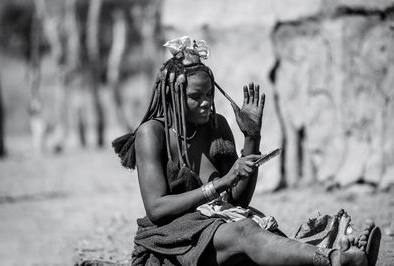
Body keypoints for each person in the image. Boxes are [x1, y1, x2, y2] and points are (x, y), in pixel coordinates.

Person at [110, 36, 380, 266]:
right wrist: (222, 183)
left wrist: (252, 136)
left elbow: (237, 201)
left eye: (208, 96)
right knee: (246, 232)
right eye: (195, 96)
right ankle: (336, 258)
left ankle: (342, 252)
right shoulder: (152, 133)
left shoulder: (217, 127)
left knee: (265, 235)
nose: (205, 103)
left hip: (219, 229)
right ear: (173, 95)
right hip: (173, 240)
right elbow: (157, 209)